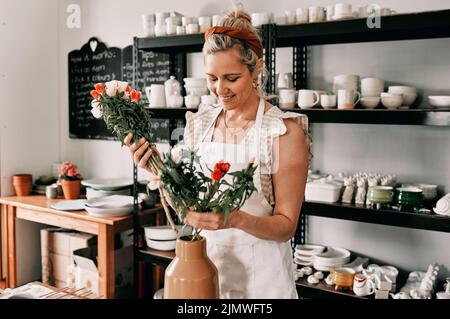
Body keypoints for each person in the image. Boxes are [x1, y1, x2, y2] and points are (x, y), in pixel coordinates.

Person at [124, 8, 311, 299]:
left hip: (263, 283)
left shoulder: (284, 132)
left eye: (231, 78)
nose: (219, 90)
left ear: (256, 69)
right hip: (206, 274)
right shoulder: (199, 125)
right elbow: (188, 210)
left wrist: (235, 219)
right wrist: (159, 172)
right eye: (212, 78)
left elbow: (286, 226)